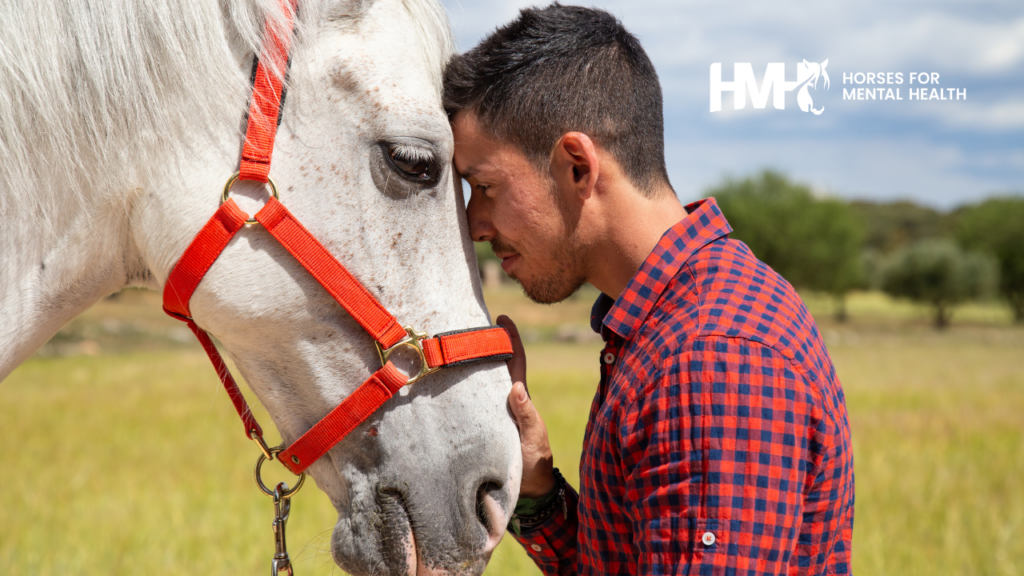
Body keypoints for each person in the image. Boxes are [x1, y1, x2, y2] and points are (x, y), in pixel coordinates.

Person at [444, 5, 854, 575]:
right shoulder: (673, 323)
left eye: (484, 186)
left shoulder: (710, 356)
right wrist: (535, 482)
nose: (476, 223)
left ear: (578, 167)